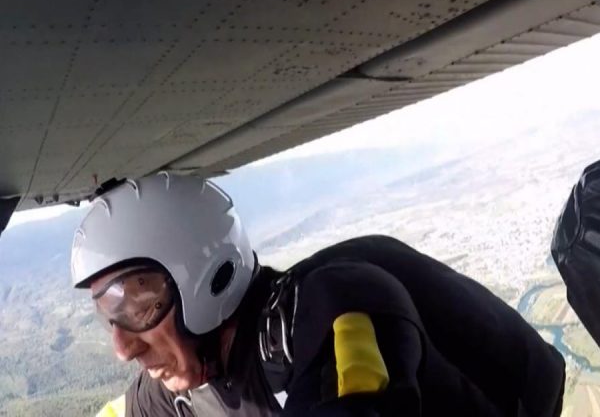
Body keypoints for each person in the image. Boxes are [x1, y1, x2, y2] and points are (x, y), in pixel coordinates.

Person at [71, 173, 565, 417]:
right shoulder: (178, 379)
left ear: (205, 278)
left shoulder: (330, 313)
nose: (122, 347)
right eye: (108, 313)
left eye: (136, 306)